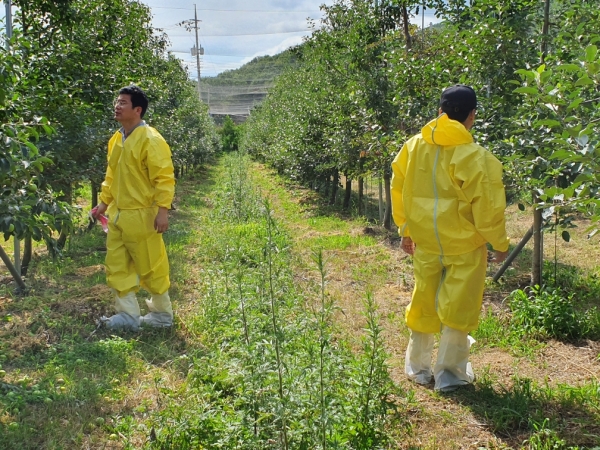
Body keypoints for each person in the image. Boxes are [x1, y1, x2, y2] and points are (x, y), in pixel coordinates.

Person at [390, 84, 510, 392]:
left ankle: (417, 369)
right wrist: (498, 243)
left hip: (426, 243)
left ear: (439, 112)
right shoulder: (475, 156)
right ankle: (450, 376)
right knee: (459, 310)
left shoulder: (413, 146)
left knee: (423, 302)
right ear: (472, 115)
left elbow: (399, 187)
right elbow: (488, 206)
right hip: (464, 247)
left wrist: (405, 228)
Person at [93, 85, 175, 330]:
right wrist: (103, 203)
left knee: (151, 265)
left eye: (123, 103)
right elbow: (111, 175)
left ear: (137, 110)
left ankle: (161, 315)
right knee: (117, 265)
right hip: (118, 214)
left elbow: (164, 177)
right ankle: (127, 315)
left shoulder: (151, 139)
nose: (117, 106)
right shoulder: (117, 139)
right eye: (117, 102)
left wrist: (162, 211)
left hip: (143, 214)